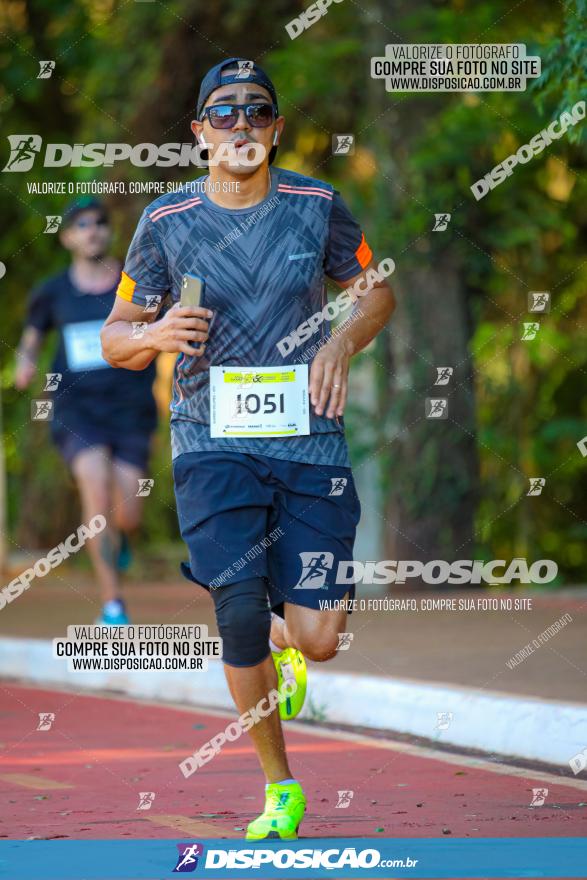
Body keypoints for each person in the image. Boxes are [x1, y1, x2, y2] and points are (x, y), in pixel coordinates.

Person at [101, 57, 395, 839]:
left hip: (311, 446)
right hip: (209, 442)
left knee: (320, 641)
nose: (240, 126)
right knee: (236, 616)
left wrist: (339, 343)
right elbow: (115, 337)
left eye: (255, 112)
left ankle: (292, 643)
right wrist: (155, 334)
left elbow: (375, 290)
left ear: (275, 128)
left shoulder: (318, 205)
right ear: (199, 132)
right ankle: (280, 788)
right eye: (223, 114)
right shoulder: (164, 223)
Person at [15, 197, 158, 626]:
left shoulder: (135, 286)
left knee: (127, 512)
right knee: (95, 493)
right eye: (81, 225)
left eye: (98, 223)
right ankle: (113, 604)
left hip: (132, 408)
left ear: (109, 231)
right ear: (68, 237)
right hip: (77, 412)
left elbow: (165, 326)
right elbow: (32, 337)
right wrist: (24, 363)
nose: (91, 230)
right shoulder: (52, 291)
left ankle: (124, 536)